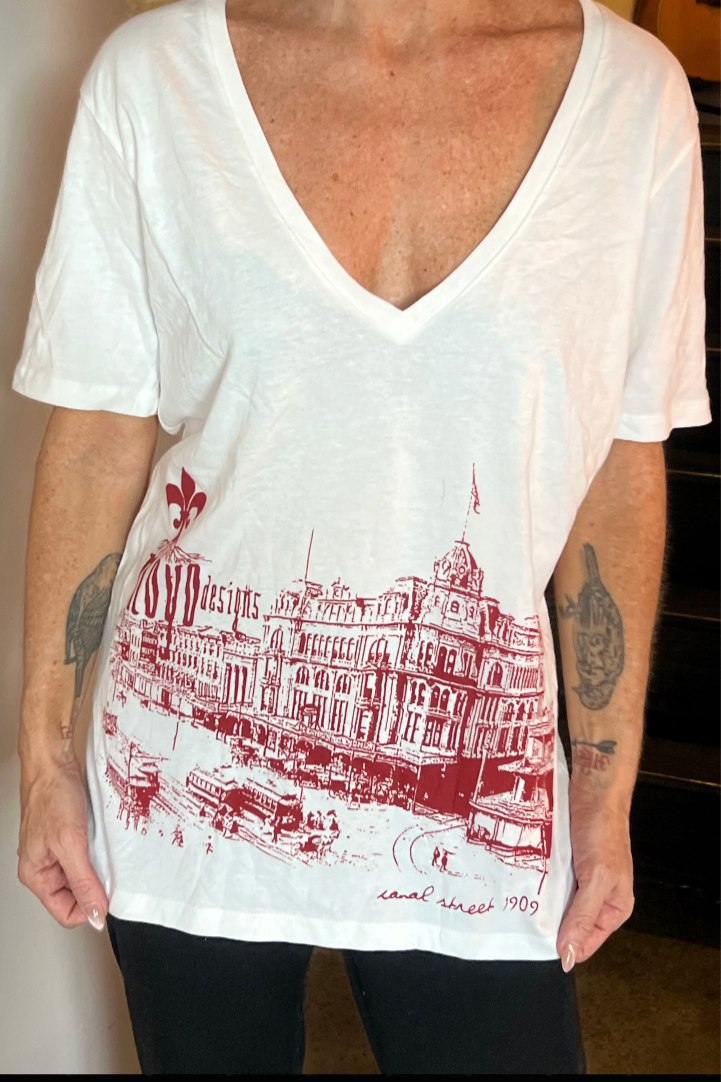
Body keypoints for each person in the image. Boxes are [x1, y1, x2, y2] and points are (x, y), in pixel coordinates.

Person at [14, 0, 709, 1074]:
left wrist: (602, 784)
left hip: (481, 825)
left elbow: (617, 461)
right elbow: (100, 438)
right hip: (176, 785)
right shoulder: (153, 77)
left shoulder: (633, 96)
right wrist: (45, 756)